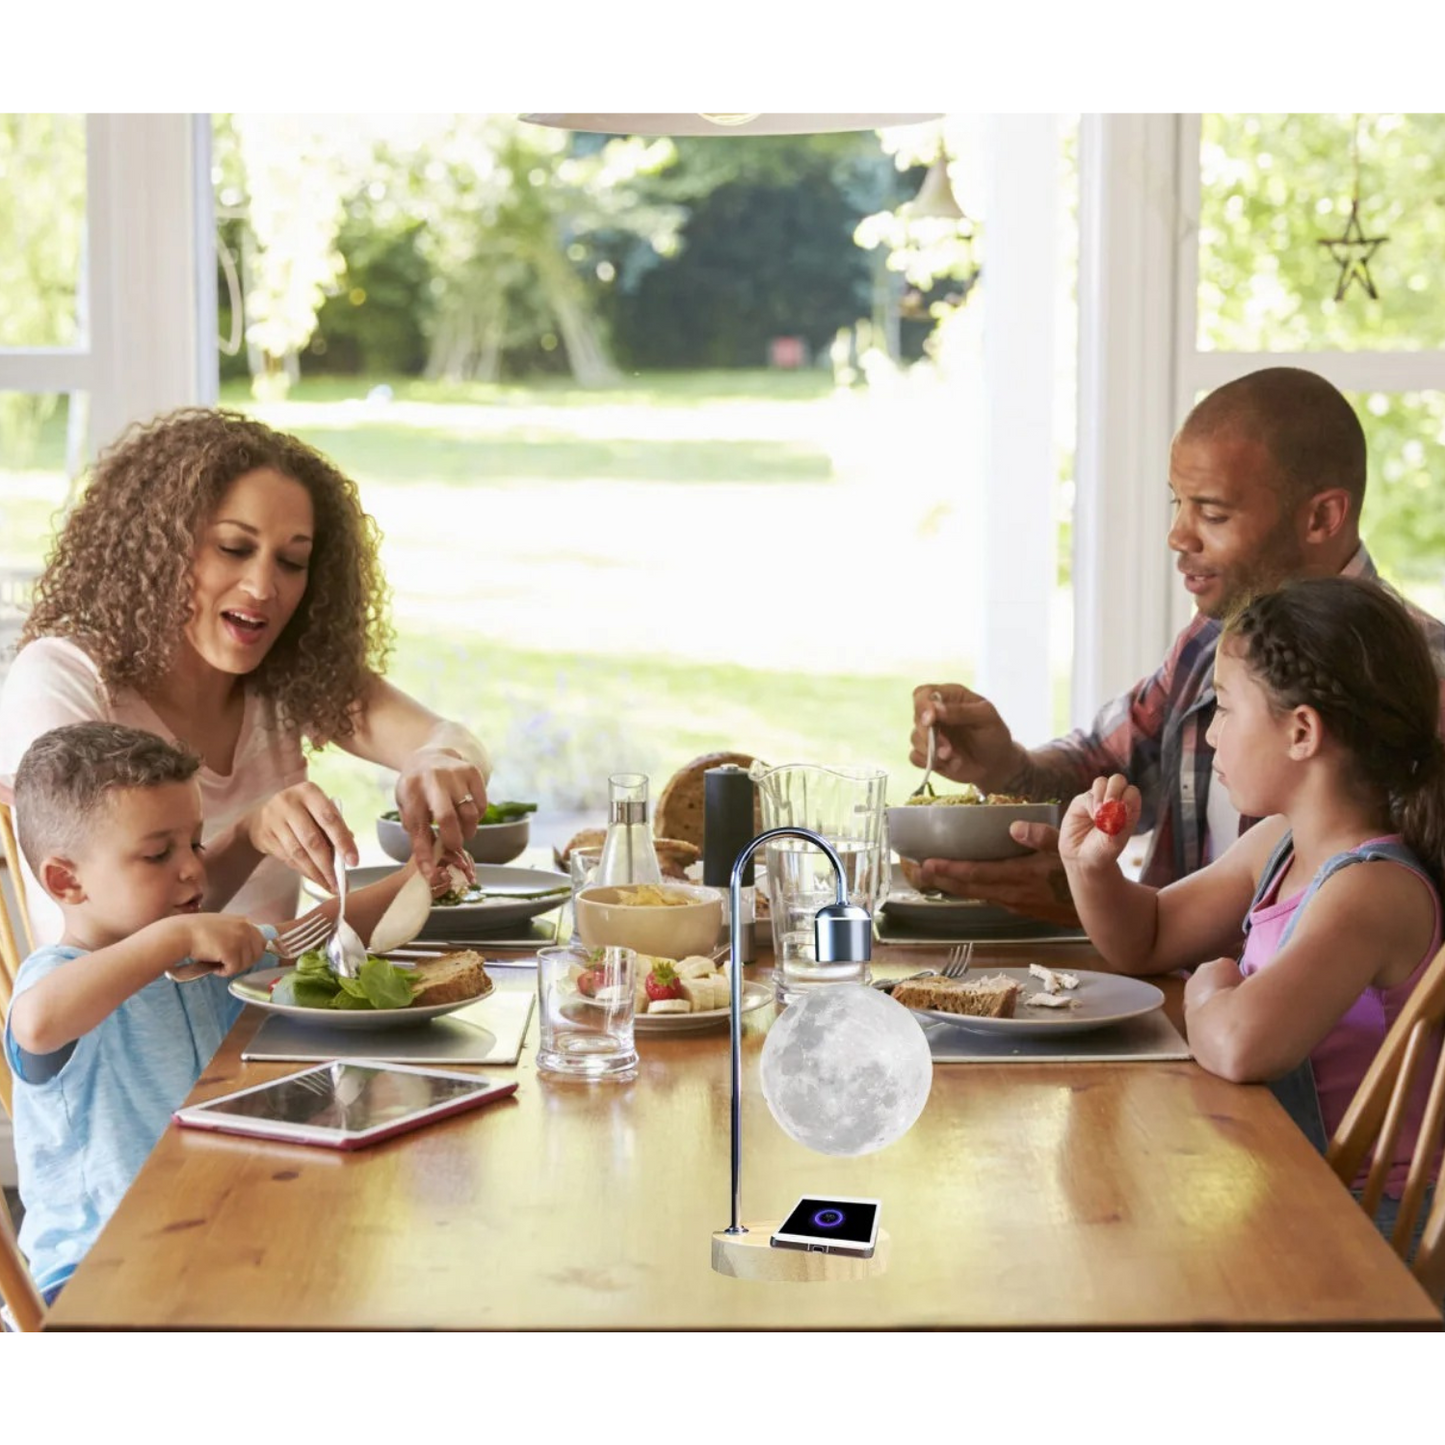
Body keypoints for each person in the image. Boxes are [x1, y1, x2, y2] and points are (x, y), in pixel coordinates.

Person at [907, 366, 1445, 924]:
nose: (1178, 537)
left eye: (1212, 513)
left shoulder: (1425, 678)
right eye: (1178, 505)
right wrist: (1004, 765)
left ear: (1321, 517)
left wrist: (1089, 900)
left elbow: (1399, 933)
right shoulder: (1214, 639)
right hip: (1175, 987)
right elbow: (1106, 765)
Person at [0, 407, 492, 946]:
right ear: (161, 548)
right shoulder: (63, 679)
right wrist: (250, 834)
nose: (263, 587)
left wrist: (437, 760)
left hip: (273, 1011)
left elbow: (453, 739)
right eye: (234, 549)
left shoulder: (286, 673)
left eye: (292, 562)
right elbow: (111, 944)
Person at [1, 721, 437, 1313]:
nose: (192, 870)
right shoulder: (59, 976)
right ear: (65, 880)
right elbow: (35, 1024)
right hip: (98, 1271)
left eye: (196, 844)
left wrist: (420, 877)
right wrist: (175, 933)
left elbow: (316, 938)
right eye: (158, 854)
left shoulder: (192, 949)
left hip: (213, 1227)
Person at [1059, 577, 1442, 1238]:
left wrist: (1212, 983)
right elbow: (1146, 937)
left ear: (1301, 732)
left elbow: (1240, 1045)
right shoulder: (1280, 844)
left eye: (1225, 709)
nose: (1210, 737)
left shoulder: (1370, 890)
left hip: (1366, 1231)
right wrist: (1090, 869)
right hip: (1289, 1183)